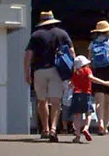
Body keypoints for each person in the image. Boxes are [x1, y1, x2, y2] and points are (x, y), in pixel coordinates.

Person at [24, 11, 74, 142]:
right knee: (56, 101)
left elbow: (28, 55)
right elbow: (71, 52)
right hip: (57, 71)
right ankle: (53, 129)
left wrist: (27, 72)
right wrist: (73, 72)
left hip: (39, 71)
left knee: (42, 100)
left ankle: (45, 129)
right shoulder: (62, 34)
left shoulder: (36, 35)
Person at [87, 20, 109, 135]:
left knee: (99, 100)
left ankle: (100, 124)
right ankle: (106, 126)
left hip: (97, 71)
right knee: (108, 101)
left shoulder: (93, 43)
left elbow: (89, 59)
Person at [70, 55, 109, 143]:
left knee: (77, 115)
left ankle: (77, 135)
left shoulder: (75, 73)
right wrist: (104, 83)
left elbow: (71, 85)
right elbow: (91, 78)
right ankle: (86, 128)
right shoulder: (87, 70)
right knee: (88, 114)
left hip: (76, 95)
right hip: (86, 94)